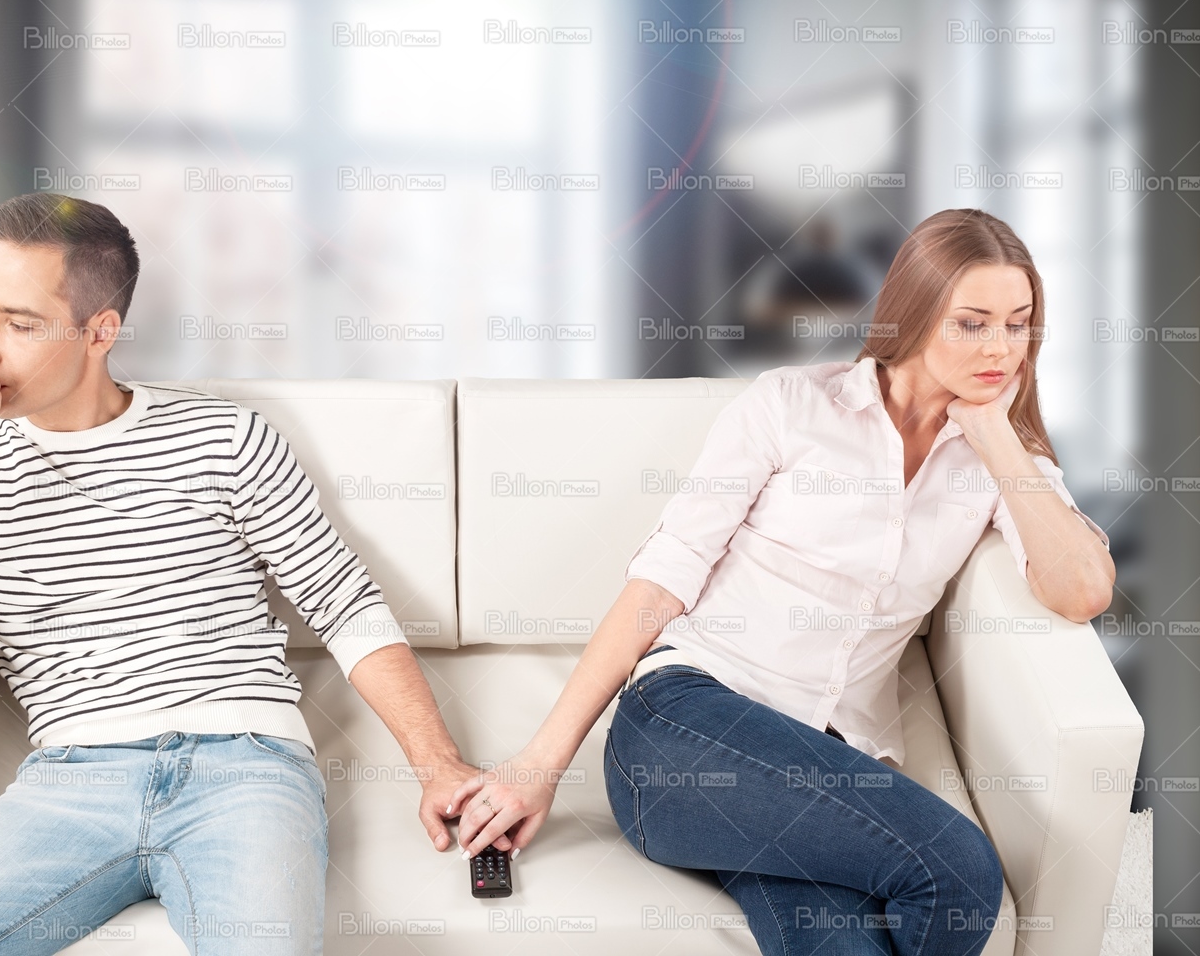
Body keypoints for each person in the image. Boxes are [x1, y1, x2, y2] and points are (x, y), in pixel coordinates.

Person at [0, 193, 503, 955]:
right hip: (69, 781)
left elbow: (345, 606)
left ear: (99, 331)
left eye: (21, 323)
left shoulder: (223, 436)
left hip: (244, 767)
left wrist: (438, 765)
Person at [448, 208, 1115, 956]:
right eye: (972, 323)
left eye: (1018, 325)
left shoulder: (1000, 464)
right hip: (685, 729)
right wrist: (537, 766)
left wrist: (994, 434)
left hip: (825, 766)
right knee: (957, 870)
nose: (999, 348)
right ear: (914, 311)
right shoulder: (791, 406)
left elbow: (1083, 589)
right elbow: (659, 582)